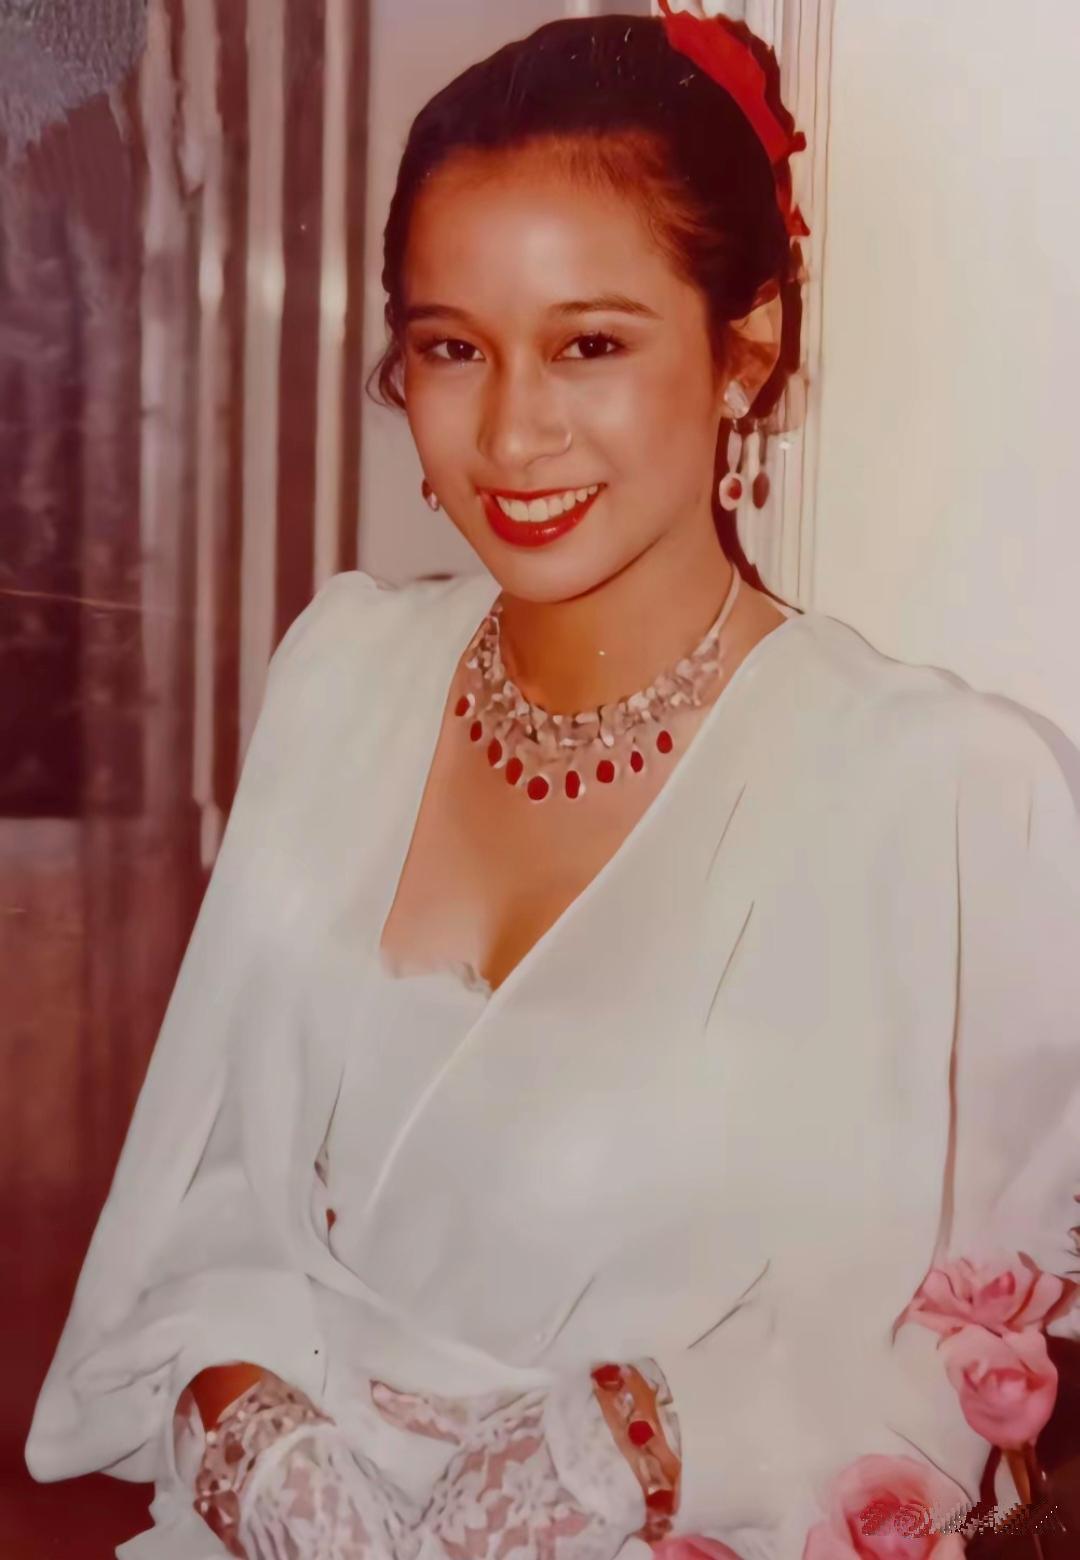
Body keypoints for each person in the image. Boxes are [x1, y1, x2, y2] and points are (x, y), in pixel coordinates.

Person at [25, 7, 1080, 1558]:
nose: (513, 433)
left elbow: (944, 1366)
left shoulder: (943, 793)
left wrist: (616, 1454)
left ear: (745, 346)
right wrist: (261, 1444)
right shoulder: (343, 678)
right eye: (453, 347)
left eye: (591, 343)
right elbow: (215, 1202)